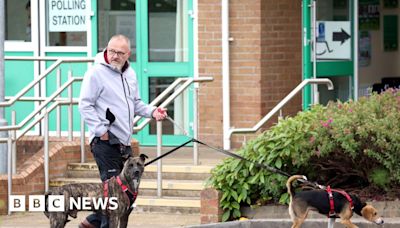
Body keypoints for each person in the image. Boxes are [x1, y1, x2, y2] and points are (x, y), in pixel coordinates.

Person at [78, 34, 167, 228]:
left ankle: (90, 223)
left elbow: (135, 103)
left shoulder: (130, 74)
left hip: (123, 143)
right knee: (114, 200)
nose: (115, 56)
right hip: (104, 143)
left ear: (128, 54)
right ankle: (97, 223)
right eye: (112, 51)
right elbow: (84, 105)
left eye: (120, 53)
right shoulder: (95, 73)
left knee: (123, 193)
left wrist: (153, 112)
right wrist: (101, 130)